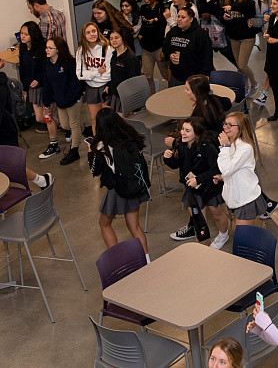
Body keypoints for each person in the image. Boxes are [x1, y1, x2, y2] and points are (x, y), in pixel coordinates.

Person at [88, 108, 150, 260]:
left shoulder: (102, 145)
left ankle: (117, 262)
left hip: (117, 190)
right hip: (135, 187)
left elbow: (94, 171)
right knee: (135, 227)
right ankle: (147, 261)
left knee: (104, 224)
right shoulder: (130, 135)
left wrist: (91, 152)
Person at [163, 116, 230, 248]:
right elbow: (177, 164)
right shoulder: (181, 145)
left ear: (197, 133)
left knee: (217, 215)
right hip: (192, 189)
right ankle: (202, 245)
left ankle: (224, 235)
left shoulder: (208, 148)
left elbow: (216, 170)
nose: (183, 133)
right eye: (182, 129)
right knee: (198, 219)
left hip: (210, 187)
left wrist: (198, 179)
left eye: (187, 130)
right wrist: (168, 159)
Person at [217, 111, 266, 224]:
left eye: (230, 125)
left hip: (246, 199)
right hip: (235, 198)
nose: (226, 127)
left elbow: (227, 169)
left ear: (240, 128)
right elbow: (231, 169)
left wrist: (223, 147)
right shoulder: (230, 144)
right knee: (238, 233)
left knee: (242, 236)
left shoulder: (245, 148)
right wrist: (223, 177)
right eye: (225, 124)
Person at [221, 0, 259, 94]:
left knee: (243, 65)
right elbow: (222, 15)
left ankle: (254, 83)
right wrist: (224, 18)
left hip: (247, 37)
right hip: (234, 38)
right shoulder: (227, 1)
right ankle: (246, 87)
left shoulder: (247, 2)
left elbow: (244, 7)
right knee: (239, 65)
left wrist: (232, 8)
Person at [75, 22, 111, 136]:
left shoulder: (106, 47)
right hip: (91, 88)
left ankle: (110, 144)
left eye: (94, 31)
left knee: (107, 119)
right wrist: (97, 72)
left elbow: (108, 74)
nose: (92, 34)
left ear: (98, 32)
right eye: (88, 32)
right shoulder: (81, 50)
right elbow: (80, 75)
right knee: (94, 119)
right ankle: (97, 144)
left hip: (105, 86)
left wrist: (91, 76)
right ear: (84, 35)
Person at [163, 7, 213, 87]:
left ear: (191, 19)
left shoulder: (200, 34)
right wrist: (169, 55)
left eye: (183, 17)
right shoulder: (173, 31)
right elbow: (165, 48)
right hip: (176, 76)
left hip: (194, 77)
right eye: (178, 17)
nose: (179, 19)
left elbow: (207, 56)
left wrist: (205, 74)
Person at [198, 0, 238, 68]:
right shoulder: (201, 0)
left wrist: (211, 16)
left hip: (222, 33)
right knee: (205, 59)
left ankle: (242, 71)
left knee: (231, 56)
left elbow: (226, 17)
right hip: (206, 33)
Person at [137, 0, 168, 92]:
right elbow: (141, 25)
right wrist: (140, 36)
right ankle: (151, 96)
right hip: (146, 48)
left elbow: (164, 27)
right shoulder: (143, 9)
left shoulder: (162, 9)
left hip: (159, 48)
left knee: (166, 73)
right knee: (147, 76)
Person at [252, 0, 276, 107]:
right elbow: (259, 21)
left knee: (272, 66)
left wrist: (271, 17)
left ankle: (265, 93)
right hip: (266, 39)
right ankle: (266, 93)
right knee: (270, 66)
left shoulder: (275, 1)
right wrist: (250, 22)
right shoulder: (258, 3)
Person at [105, 30, 140, 113]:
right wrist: (108, 86)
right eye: (111, 38)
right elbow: (113, 74)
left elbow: (133, 81)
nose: (113, 40)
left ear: (123, 38)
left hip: (126, 96)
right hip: (116, 94)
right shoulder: (114, 55)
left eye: (116, 38)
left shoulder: (130, 58)